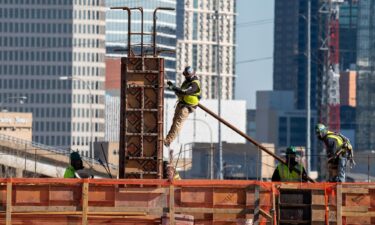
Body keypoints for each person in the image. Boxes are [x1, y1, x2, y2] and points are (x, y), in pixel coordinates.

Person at [164, 66, 201, 147]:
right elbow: (180, 92)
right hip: (181, 103)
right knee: (174, 122)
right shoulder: (186, 82)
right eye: (186, 75)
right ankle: (167, 138)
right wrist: (173, 87)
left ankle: (168, 140)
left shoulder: (195, 84)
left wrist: (174, 88)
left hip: (188, 106)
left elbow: (185, 92)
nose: (186, 77)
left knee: (178, 123)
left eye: (187, 75)